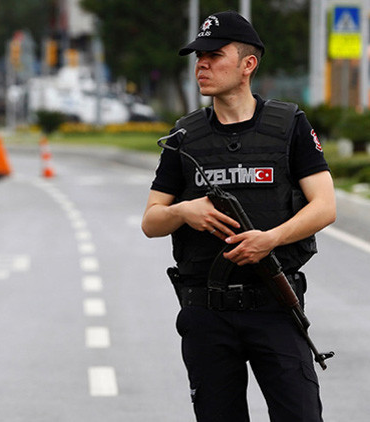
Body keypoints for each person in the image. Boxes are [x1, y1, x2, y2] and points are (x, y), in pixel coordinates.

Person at [141, 11, 336, 422]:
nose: (202, 65)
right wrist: (183, 211)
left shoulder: (289, 125)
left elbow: (325, 206)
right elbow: (151, 221)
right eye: (198, 57)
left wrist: (271, 238)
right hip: (207, 313)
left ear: (248, 64)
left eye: (214, 55)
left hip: (275, 304)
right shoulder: (183, 136)